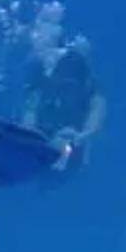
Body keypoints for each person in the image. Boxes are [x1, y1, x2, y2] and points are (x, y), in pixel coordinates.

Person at [22, 37, 107, 177]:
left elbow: (96, 116)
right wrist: (45, 141)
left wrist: (81, 136)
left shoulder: (92, 89)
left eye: (71, 82)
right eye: (64, 81)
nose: (67, 86)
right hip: (44, 139)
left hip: (72, 142)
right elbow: (28, 120)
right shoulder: (41, 88)